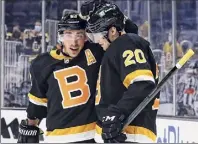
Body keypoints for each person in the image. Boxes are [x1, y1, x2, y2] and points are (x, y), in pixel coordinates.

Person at [17, 11, 104, 143]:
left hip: (91, 135)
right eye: (68, 34)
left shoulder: (95, 51)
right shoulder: (42, 64)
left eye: (79, 35)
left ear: (86, 37)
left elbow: (119, 38)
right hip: (57, 137)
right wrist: (30, 126)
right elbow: (37, 104)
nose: (74, 42)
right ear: (60, 36)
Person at [86, 4, 160, 143]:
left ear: (113, 30)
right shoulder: (122, 46)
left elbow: (142, 83)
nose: (97, 41)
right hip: (121, 133)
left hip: (128, 133)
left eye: (97, 35)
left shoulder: (126, 43)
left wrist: (117, 114)